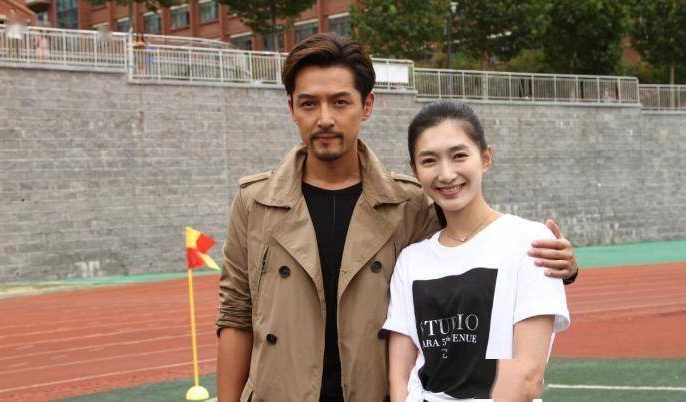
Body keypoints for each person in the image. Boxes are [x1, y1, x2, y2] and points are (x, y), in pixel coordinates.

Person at [216, 33, 578, 402]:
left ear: (366, 105)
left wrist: (561, 266)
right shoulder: (255, 203)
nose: (325, 118)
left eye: (340, 102)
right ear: (291, 107)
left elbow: (468, 254)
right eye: (309, 104)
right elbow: (235, 314)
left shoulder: (409, 204)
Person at [385, 101, 570, 402]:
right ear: (414, 171)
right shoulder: (410, 260)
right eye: (429, 161)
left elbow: (527, 377)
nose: (446, 174)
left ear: (485, 158)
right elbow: (400, 374)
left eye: (459, 155)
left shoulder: (530, 242)